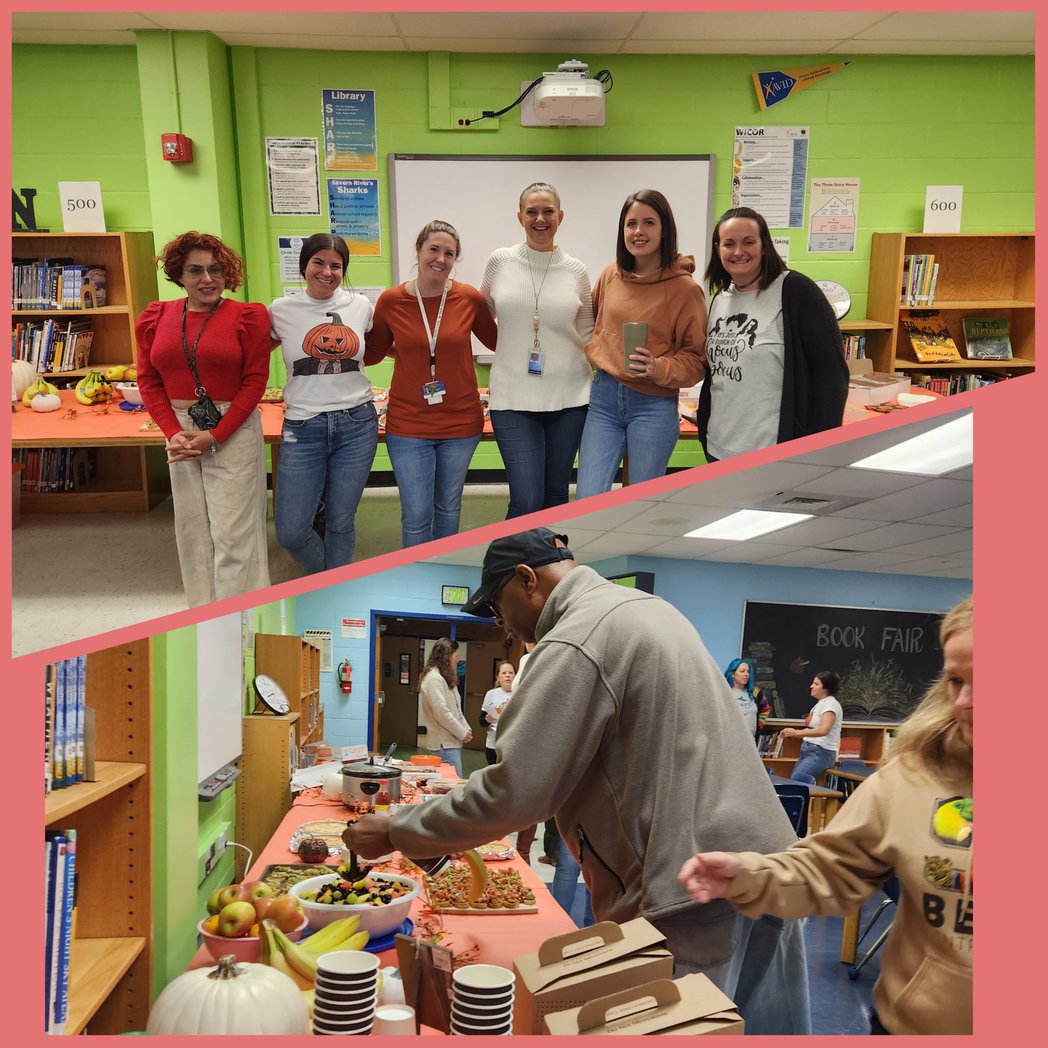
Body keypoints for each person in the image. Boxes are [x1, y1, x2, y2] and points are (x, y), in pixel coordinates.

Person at [346, 527, 811, 1035]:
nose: (501, 624)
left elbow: (516, 793)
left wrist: (397, 830)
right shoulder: (650, 609)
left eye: (498, 607)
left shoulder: (576, 637)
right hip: (768, 866)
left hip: (689, 886)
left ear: (527, 579)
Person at [678, 596, 973, 1036]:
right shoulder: (914, 776)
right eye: (956, 680)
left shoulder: (823, 707)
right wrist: (751, 875)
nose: (965, 701)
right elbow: (831, 868)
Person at [135, 231, 272, 607]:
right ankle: (202, 615)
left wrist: (216, 434)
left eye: (216, 269)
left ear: (228, 274)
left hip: (232, 428)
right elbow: (148, 380)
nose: (207, 279)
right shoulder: (155, 317)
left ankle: (237, 615)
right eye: (195, 270)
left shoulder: (248, 316)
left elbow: (255, 382)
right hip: (180, 431)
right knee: (192, 531)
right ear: (179, 275)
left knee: (233, 534)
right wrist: (172, 432)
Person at [365, 220, 498, 547]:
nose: (440, 259)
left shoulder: (468, 298)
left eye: (449, 253)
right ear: (418, 250)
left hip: (460, 424)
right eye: (434, 249)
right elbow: (372, 353)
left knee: (448, 507)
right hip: (408, 425)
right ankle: (418, 572)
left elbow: (499, 342)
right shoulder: (391, 301)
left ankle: (444, 568)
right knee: (415, 514)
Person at [575, 189, 707, 498]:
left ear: (664, 229)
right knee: (587, 498)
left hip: (653, 405)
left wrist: (658, 367)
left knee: (639, 502)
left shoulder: (685, 289)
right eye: (631, 223)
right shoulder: (610, 274)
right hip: (604, 399)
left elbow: (697, 360)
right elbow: (592, 325)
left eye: (649, 222)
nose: (638, 231)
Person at [699, 206, 849, 461]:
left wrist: (817, 452)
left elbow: (832, 377)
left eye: (748, 242)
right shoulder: (720, 298)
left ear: (764, 245)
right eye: (729, 243)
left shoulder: (795, 291)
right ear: (718, 249)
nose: (738, 251)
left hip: (773, 452)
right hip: (718, 446)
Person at [481, 183, 595, 517]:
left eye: (548, 212)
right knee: (527, 499)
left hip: (570, 396)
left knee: (556, 494)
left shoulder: (576, 270)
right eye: (532, 212)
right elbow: (478, 316)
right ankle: (514, 553)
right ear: (520, 217)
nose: (540, 219)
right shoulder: (501, 261)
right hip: (512, 398)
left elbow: (588, 333)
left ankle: (550, 552)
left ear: (561, 216)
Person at [269, 234, 378, 574]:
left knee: (340, 521)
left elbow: (381, 347)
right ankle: (336, 581)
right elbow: (250, 354)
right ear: (304, 265)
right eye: (319, 262)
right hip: (303, 427)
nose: (327, 272)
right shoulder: (280, 311)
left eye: (336, 265)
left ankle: (334, 591)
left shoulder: (361, 306)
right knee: (291, 532)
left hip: (357, 423)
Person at [417, 637, 472, 776]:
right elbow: (442, 713)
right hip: (444, 744)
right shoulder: (434, 679)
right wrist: (462, 732)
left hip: (451, 742)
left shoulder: (445, 677)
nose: (457, 660)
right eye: (456, 656)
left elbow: (456, 708)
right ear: (446, 657)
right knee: (452, 784)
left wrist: (465, 727)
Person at [783, 670, 843, 783]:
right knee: (796, 782)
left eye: (816, 684)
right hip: (810, 751)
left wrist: (797, 732)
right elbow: (813, 731)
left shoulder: (830, 705)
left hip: (820, 752)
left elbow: (824, 730)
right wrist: (791, 732)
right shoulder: (820, 704)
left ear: (825, 688)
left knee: (796, 783)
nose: (811, 686)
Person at [723, 657, 772, 743]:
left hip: (750, 742)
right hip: (730, 742)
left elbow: (765, 709)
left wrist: (757, 727)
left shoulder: (755, 692)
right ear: (733, 674)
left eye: (748, 671)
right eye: (742, 671)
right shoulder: (724, 692)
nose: (746, 674)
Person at [479, 660, 515, 765]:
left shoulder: (520, 693)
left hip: (512, 745)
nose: (507, 675)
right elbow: (481, 721)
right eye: (504, 673)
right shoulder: (491, 694)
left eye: (510, 672)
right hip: (493, 744)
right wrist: (487, 720)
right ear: (498, 678)